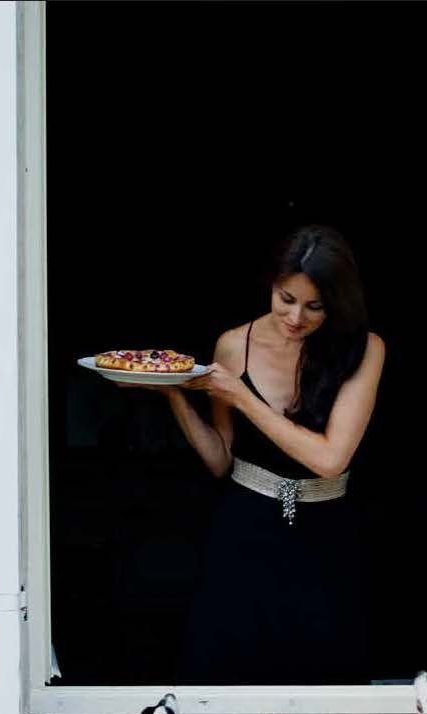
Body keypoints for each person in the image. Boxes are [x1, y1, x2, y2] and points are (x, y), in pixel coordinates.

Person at [146, 225, 385, 684]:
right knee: (230, 675)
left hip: (328, 532)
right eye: (285, 298)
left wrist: (242, 397)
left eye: (315, 305)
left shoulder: (366, 348)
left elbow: (331, 458)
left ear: (340, 301)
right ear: (271, 286)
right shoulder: (234, 344)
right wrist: (170, 393)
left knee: (327, 683)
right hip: (245, 530)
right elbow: (220, 460)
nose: (295, 317)